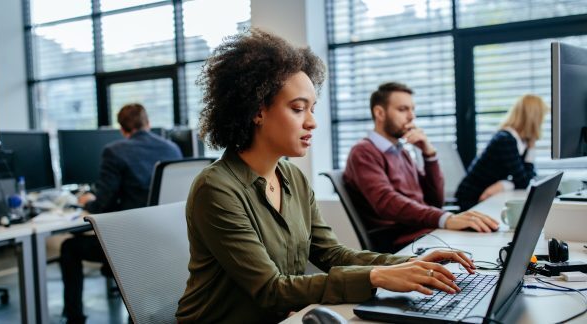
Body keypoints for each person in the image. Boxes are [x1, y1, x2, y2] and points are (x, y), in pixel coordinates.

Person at [175, 29, 477, 323]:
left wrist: (408, 263)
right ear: (257, 111)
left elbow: (331, 254)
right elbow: (270, 289)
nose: (312, 123)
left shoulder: (292, 177)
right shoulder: (216, 188)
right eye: (297, 109)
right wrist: (378, 276)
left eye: (312, 109)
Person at [60, 103, 182, 323]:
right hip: (166, 239)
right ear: (148, 123)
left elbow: (103, 203)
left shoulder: (114, 151)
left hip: (129, 244)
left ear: (123, 129)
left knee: (69, 247)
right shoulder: (172, 149)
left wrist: (88, 201)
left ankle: (74, 317)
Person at [343, 82, 499, 253]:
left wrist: (429, 154)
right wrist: (444, 218)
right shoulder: (363, 152)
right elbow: (387, 202)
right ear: (379, 113)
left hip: (423, 233)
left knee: (488, 236)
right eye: (403, 109)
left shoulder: (401, 152)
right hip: (402, 242)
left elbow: (435, 201)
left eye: (412, 109)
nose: (411, 116)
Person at [455, 94, 549, 211]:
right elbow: (523, 181)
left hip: (487, 195)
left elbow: (529, 176)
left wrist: (503, 185)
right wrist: (504, 184)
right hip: (473, 197)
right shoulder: (505, 139)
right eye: (542, 118)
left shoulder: (520, 142)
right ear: (533, 119)